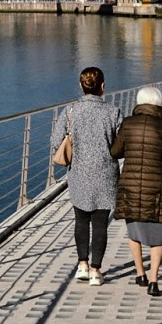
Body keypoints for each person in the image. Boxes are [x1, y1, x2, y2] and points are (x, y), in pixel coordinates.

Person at [52, 66, 124, 286]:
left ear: (82, 86)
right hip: (105, 174)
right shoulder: (113, 112)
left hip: (79, 174)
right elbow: (121, 146)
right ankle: (96, 270)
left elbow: (55, 143)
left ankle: (82, 264)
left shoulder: (70, 112)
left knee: (81, 221)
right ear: (102, 86)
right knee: (100, 224)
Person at [111, 86, 162, 297]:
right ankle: (153, 282)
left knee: (135, 233)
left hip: (130, 187)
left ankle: (140, 274)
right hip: (157, 188)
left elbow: (115, 151)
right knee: (157, 236)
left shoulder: (128, 123)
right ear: (159, 103)